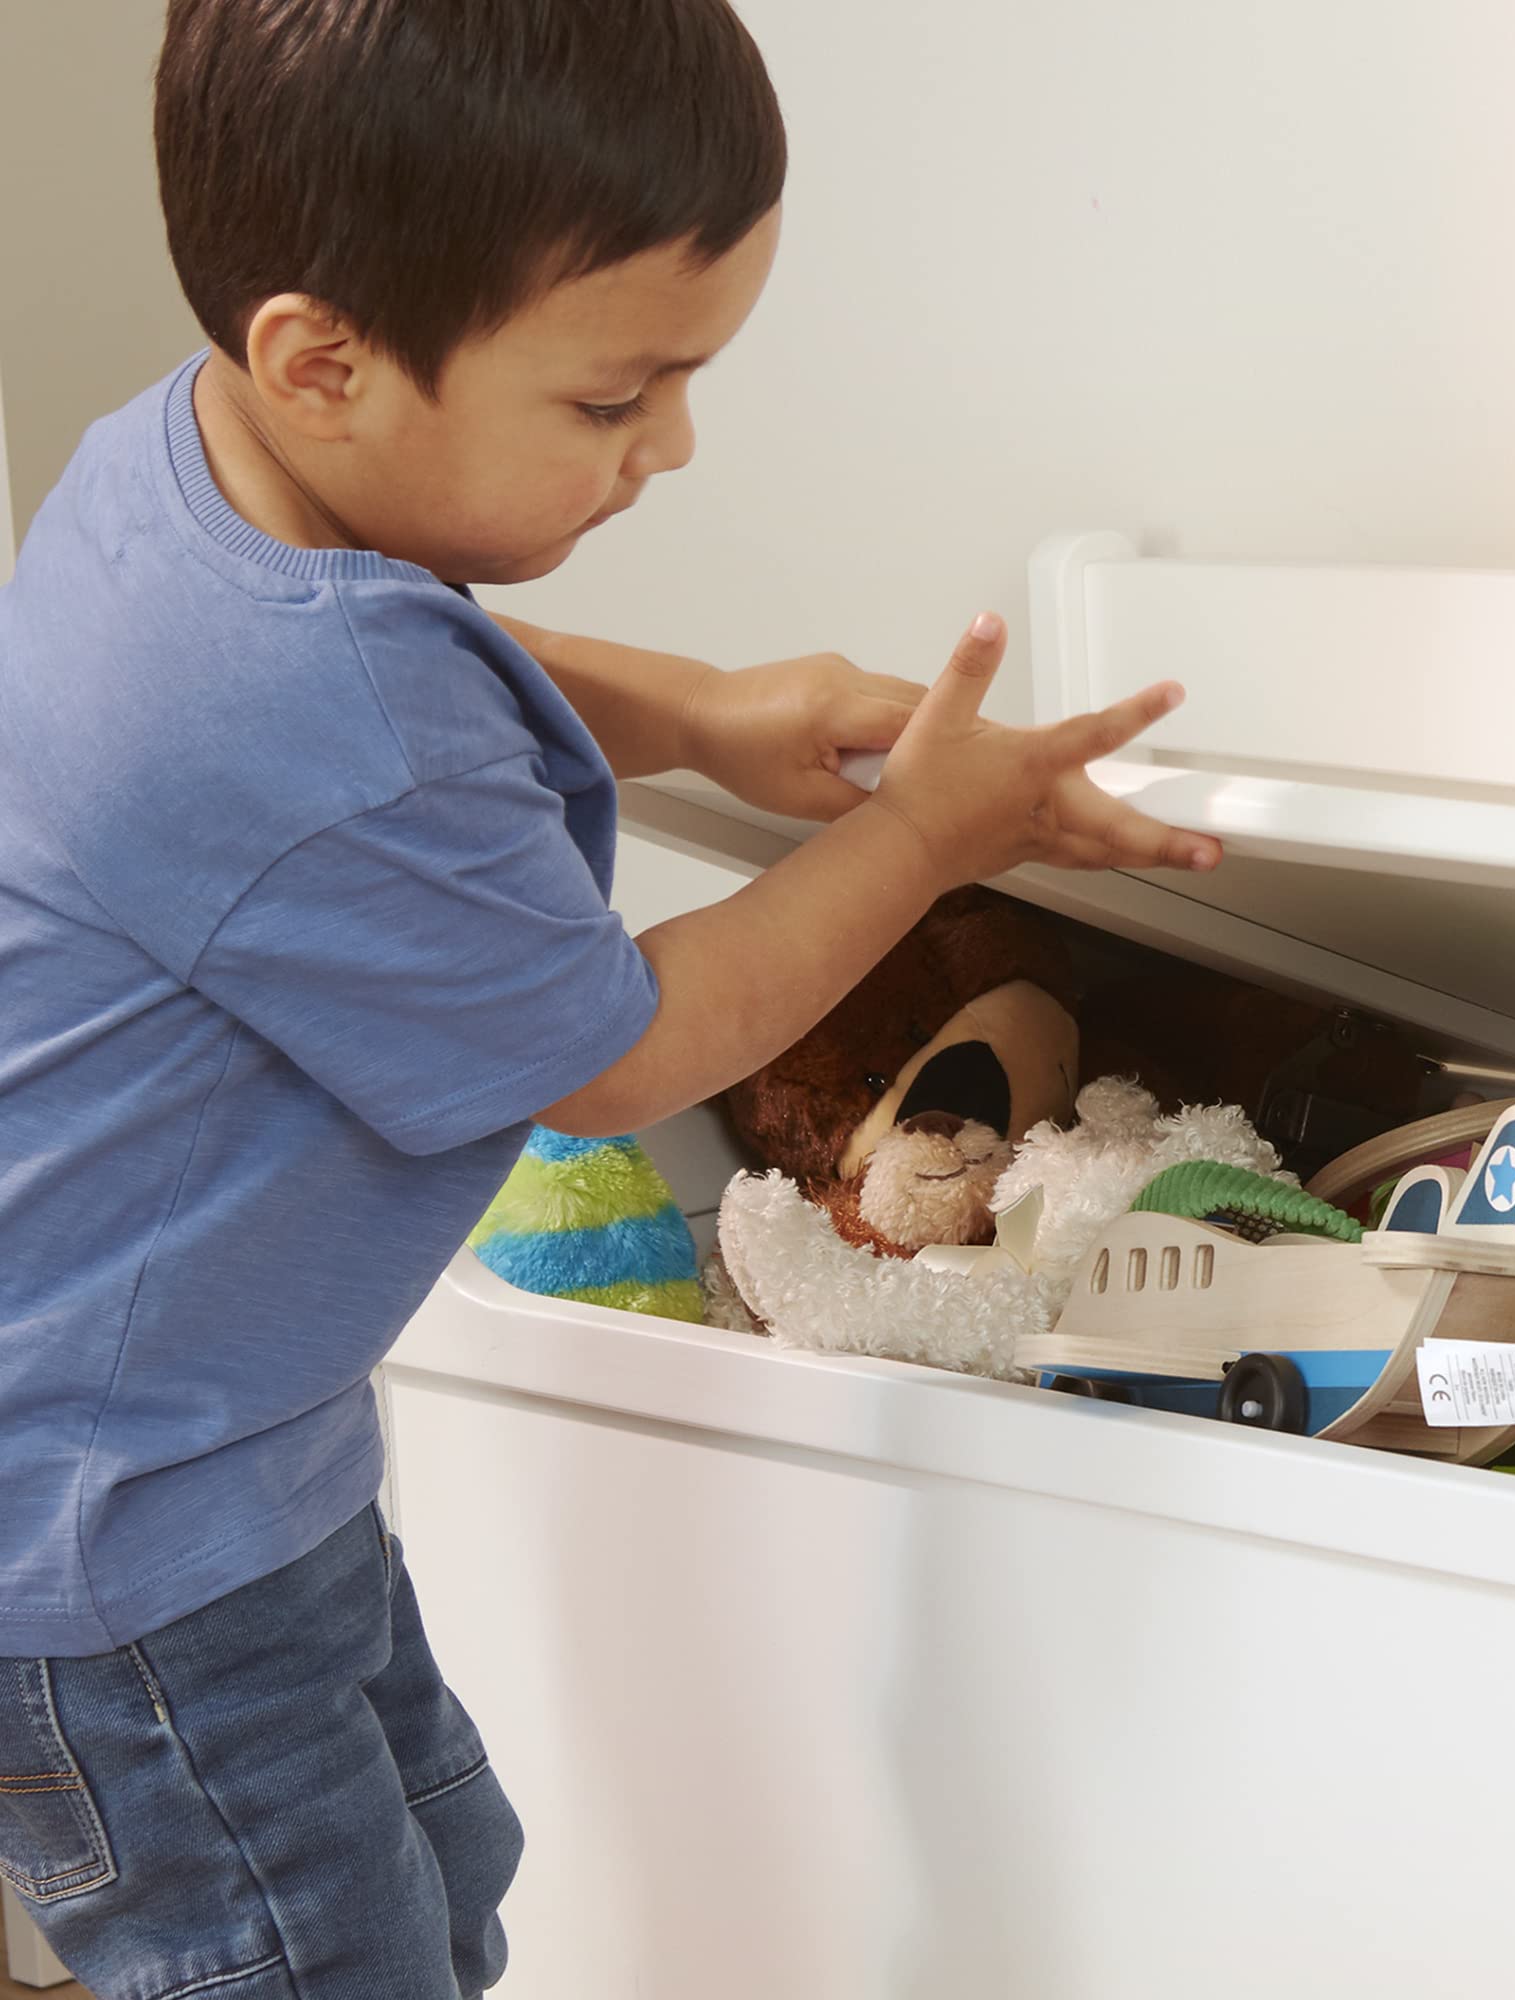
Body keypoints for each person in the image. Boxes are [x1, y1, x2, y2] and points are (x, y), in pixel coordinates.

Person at [0, 2, 1219, 1993]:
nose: (668, 446)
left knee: (429, 1883)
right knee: (306, 1957)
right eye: (612, 399)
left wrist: (698, 712)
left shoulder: (193, 471)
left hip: (195, 1467)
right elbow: (626, 1048)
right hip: (130, 1550)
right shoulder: (288, 701)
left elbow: (424, 646)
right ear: (324, 358)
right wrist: (919, 838)